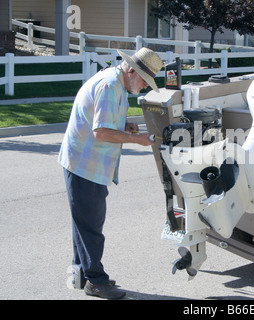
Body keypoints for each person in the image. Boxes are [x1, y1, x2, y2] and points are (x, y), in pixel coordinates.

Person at [58, 47, 163, 299]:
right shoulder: (110, 86)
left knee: (84, 222)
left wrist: (123, 126)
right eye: (144, 81)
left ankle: (83, 273)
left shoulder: (115, 81)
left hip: (85, 163)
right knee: (91, 225)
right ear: (131, 71)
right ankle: (96, 280)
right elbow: (101, 132)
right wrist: (135, 139)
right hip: (85, 164)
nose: (145, 87)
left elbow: (103, 122)